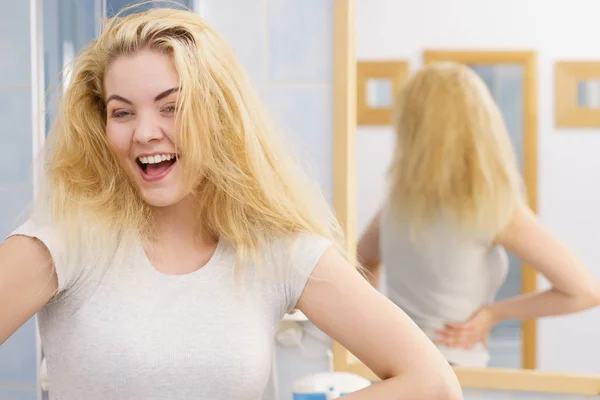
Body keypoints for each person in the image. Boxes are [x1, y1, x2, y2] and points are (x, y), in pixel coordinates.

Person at [0, 7, 463, 400]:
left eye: (171, 106)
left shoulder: (275, 252)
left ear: (218, 114)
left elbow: (432, 383)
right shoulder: (61, 243)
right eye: (122, 112)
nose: (144, 132)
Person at [357, 62, 600, 367]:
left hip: (394, 361)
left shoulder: (397, 202)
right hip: (454, 367)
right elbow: (584, 292)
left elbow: (361, 264)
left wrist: (378, 328)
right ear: (481, 125)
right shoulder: (491, 208)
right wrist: (493, 314)